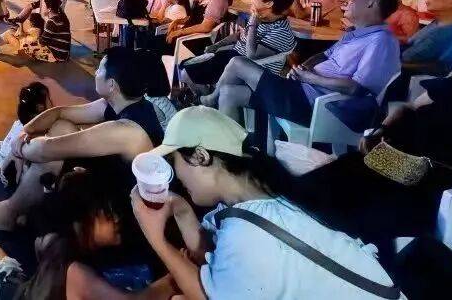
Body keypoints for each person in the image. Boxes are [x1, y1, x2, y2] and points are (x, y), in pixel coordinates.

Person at [133, 106, 401, 299]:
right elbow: (219, 265)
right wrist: (181, 210)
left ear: (200, 156)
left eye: (174, 161)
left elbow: (207, 294)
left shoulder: (247, 234)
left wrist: (157, 239)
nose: (177, 174)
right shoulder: (268, 193)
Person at [294, 28, 452, 248]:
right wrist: (382, 129)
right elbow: (409, 107)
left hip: (432, 190)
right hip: (397, 165)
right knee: (305, 194)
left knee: (340, 217)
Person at [0, 47, 163, 234]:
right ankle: (17, 206)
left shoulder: (128, 131)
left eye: (100, 68)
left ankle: (9, 213)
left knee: (49, 152)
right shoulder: (123, 103)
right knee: (61, 128)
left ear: (112, 85)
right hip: (111, 179)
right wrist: (25, 132)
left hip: (123, 213)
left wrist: (18, 150)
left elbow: (46, 149)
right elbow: (60, 113)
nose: (95, 72)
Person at [202, 0, 401, 134]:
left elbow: (357, 88)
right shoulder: (355, 34)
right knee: (229, 92)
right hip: (302, 89)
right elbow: (324, 54)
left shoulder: (381, 41)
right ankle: (230, 151)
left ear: (371, 3)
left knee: (238, 63)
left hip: (317, 104)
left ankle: (211, 100)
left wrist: (311, 78)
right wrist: (302, 68)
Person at [0, 168, 131, 299]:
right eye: (106, 214)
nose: (116, 219)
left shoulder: (53, 246)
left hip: (19, 292)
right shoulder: (78, 274)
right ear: (83, 222)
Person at [181, 0, 297, 93]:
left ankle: (207, 99)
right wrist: (216, 45)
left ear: (269, 3)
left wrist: (253, 22)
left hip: (244, 69)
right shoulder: (263, 19)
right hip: (233, 56)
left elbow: (251, 54)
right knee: (185, 65)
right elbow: (240, 36)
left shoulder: (281, 31)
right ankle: (207, 96)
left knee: (186, 73)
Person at [0, 82, 51, 188]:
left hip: (4, 154)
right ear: (40, 107)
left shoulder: (21, 122)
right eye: (49, 99)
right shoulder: (40, 128)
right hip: (15, 165)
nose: (51, 102)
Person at [0, 0, 71, 62]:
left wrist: (26, 35)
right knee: (17, 36)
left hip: (56, 54)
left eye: (44, 7)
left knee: (21, 47)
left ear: (49, 9)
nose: (42, 9)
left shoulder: (52, 22)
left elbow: (43, 42)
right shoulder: (60, 18)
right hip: (62, 53)